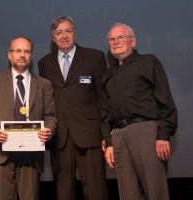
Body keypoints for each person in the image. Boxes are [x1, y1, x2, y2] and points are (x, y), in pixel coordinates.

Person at [102, 23, 178, 200]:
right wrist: (109, 143)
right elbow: (104, 111)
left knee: (154, 190)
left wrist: (163, 135)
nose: (115, 42)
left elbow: (165, 99)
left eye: (120, 37)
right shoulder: (107, 75)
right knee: (128, 194)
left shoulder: (148, 62)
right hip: (118, 136)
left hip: (145, 131)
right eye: (112, 39)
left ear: (133, 41)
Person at [38, 16, 108, 200]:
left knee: (96, 192)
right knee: (64, 193)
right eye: (58, 32)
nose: (64, 36)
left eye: (68, 31)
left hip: (90, 135)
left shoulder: (95, 57)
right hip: (60, 138)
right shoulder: (44, 63)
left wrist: (106, 135)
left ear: (75, 33)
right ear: (53, 38)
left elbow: (103, 99)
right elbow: (44, 101)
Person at [0, 36, 57, 200]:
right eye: (18, 51)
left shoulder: (44, 84)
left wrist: (48, 131)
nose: (22, 55)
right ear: (10, 55)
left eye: (27, 51)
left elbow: (50, 116)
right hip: (1, 150)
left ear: (31, 55)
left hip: (31, 152)